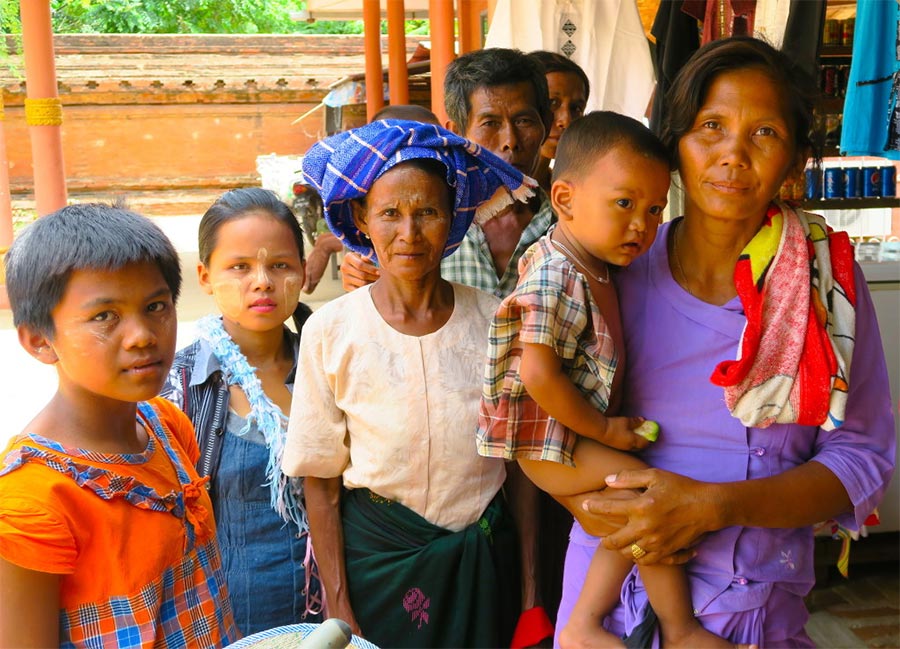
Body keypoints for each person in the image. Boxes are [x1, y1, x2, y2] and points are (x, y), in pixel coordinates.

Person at [554, 36, 896, 647]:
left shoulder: (825, 287)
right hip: (603, 601)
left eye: (764, 133)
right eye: (711, 125)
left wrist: (718, 506)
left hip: (750, 607)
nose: (733, 153)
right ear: (675, 144)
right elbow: (531, 418)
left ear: (793, 159)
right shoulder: (613, 272)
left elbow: (862, 456)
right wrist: (599, 509)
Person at [479, 110, 747, 649]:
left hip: (568, 436)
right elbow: (537, 374)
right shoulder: (557, 273)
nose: (641, 226)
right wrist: (605, 431)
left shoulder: (600, 263)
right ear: (565, 199)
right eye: (624, 204)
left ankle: (584, 625)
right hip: (551, 442)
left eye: (653, 211)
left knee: (628, 519)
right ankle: (678, 628)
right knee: (646, 498)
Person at [282, 118, 537, 648]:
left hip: (481, 564)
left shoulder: (495, 322)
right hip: (377, 566)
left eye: (428, 213)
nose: (409, 233)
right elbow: (320, 482)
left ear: (453, 219)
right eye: (390, 214)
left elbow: (521, 467)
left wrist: (531, 590)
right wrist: (340, 607)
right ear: (361, 217)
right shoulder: (332, 330)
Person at [0, 204, 237, 648]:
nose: (143, 335)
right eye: (105, 316)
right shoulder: (31, 504)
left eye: (156, 306)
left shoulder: (166, 426)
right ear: (39, 340)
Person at [159, 188, 322, 635]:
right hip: (228, 619)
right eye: (240, 267)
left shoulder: (331, 363)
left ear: (305, 272)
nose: (263, 282)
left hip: (335, 614)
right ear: (205, 276)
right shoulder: (177, 385)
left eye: (280, 265)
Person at [340, 48, 554, 299]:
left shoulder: (568, 226)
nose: (510, 141)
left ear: (545, 125)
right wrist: (359, 273)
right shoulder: (423, 225)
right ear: (457, 134)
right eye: (490, 124)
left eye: (523, 121)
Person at [527, 51, 590, 192]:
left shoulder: (571, 194)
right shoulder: (484, 196)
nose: (566, 121)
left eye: (576, 108)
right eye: (552, 103)